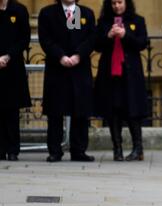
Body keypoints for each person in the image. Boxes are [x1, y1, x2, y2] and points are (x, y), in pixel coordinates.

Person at [38, 0, 96, 163]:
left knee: (80, 111)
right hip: (57, 68)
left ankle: (78, 150)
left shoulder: (85, 13)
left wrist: (78, 54)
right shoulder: (47, 13)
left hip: (80, 68)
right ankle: (55, 151)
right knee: (55, 112)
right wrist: (61, 56)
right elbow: (46, 39)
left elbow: (91, 38)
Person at [94, 0, 148, 161]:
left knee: (133, 111)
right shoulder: (104, 22)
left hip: (130, 74)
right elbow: (96, 45)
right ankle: (117, 149)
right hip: (110, 73)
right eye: (113, 3)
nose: (117, 6)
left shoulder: (137, 20)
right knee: (113, 111)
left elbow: (142, 43)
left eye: (120, 2)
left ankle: (138, 149)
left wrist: (126, 35)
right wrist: (108, 36)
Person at [0, 0, 31, 161]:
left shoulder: (19, 9)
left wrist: (8, 56)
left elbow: (24, 38)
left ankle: (13, 149)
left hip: (13, 67)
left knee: (12, 110)